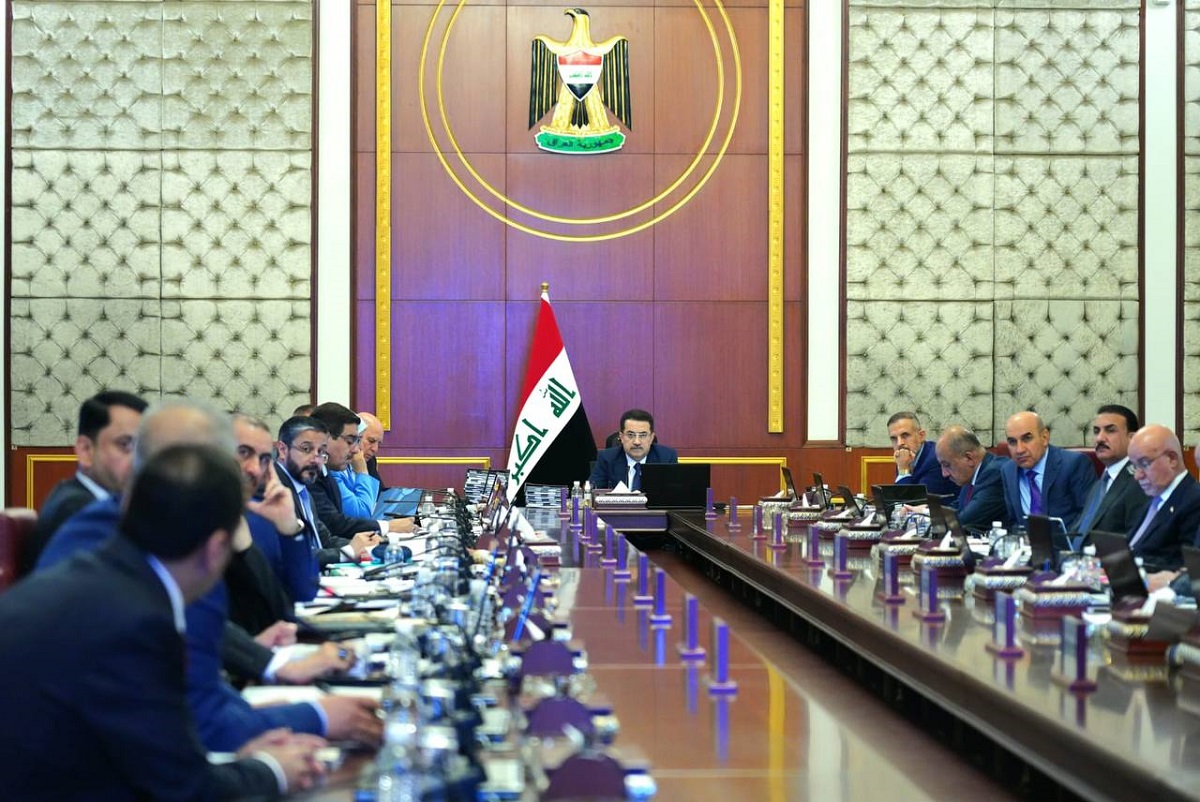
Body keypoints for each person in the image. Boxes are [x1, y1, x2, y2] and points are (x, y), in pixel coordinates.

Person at [0, 444, 326, 799]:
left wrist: (244, 758)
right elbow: (182, 786)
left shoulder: (108, 576)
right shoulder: (138, 619)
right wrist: (272, 769)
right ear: (216, 548)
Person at [22, 390, 148, 571]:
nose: (138, 460)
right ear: (86, 450)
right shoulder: (79, 511)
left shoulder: (80, 498)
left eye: (143, 448)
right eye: (125, 445)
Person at [273, 415, 378, 566]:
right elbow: (291, 555)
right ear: (283, 450)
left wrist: (368, 545)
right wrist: (348, 552)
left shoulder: (302, 489)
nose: (315, 459)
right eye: (306, 449)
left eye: (321, 451)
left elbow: (325, 540)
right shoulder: (273, 491)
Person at [309, 403, 412, 532]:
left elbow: (379, 499)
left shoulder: (334, 468)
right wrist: (387, 527)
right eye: (350, 441)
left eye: (357, 441)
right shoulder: (317, 473)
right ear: (325, 438)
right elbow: (355, 517)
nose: (356, 449)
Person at [1122, 425, 1200, 582]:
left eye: (1144, 464)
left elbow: (1190, 568)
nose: (1138, 476)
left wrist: (1139, 574)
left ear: (1172, 459)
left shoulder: (1193, 499)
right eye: (1134, 467)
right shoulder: (1151, 498)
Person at [999, 411, 1095, 529]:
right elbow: (1013, 521)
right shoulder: (1008, 471)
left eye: (1027, 439)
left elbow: (1089, 516)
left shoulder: (1074, 464)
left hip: (1068, 539)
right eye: (1012, 442)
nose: (1019, 450)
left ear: (1044, 437)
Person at [1072, 405, 1148, 537]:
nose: (1100, 438)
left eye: (1110, 430)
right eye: (1096, 431)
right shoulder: (1100, 483)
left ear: (1132, 438)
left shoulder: (1139, 482)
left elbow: (1135, 539)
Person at [933, 426, 1008, 530]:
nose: (944, 474)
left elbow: (963, 521)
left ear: (969, 458)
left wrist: (933, 519)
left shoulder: (995, 474)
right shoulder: (972, 475)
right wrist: (926, 511)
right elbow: (956, 508)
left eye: (947, 465)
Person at [589, 408, 678, 490]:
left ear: (651, 438)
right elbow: (592, 491)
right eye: (630, 435)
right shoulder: (607, 458)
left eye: (643, 435)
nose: (637, 442)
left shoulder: (666, 458)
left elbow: (674, 494)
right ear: (621, 437)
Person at [886, 412, 958, 498]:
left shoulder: (935, 459)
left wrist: (903, 470)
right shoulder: (904, 457)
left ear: (921, 436)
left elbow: (914, 501)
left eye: (905, 435)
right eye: (894, 438)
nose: (899, 443)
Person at [357, 410, 389, 490]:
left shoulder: (370, 461)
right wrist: (362, 472)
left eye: (379, 443)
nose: (375, 449)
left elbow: (380, 493)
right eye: (371, 441)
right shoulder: (338, 463)